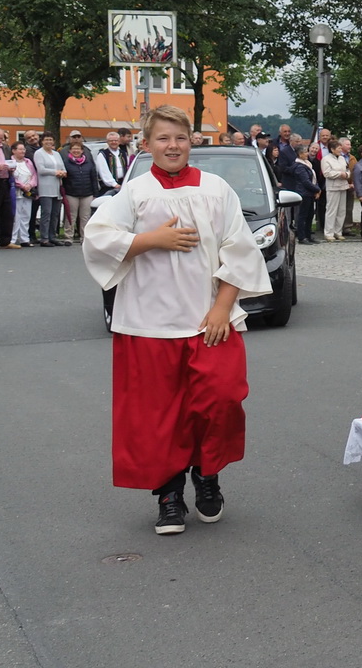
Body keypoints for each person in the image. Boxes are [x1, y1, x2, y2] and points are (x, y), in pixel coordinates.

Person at [82, 104, 272, 536]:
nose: (173, 146)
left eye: (180, 137)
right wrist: (152, 239)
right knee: (157, 414)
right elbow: (96, 241)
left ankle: (206, 474)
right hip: (148, 323)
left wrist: (223, 305)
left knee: (221, 401)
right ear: (146, 145)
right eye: (163, 138)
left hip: (209, 321)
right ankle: (168, 492)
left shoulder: (216, 189)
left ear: (193, 141)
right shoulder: (134, 193)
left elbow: (238, 250)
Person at [61, 133, 101, 242]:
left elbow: (93, 178)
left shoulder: (88, 163)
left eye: (78, 149)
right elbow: (64, 180)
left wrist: (95, 194)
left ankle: (84, 237)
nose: (76, 151)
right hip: (71, 193)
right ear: (70, 151)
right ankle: (68, 236)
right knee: (71, 216)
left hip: (87, 193)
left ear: (82, 151)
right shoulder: (66, 163)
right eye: (73, 149)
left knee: (85, 217)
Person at [321, 136, 351, 241]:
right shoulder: (326, 159)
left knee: (341, 210)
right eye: (338, 148)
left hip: (343, 186)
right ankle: (328, 232)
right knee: (331, 210)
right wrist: (339, 174)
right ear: (332, 149)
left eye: (340, 148)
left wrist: (347, 174)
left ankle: (338, 231)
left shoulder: (342, 158)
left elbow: (347, 169)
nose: (340, 150)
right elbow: (326, 173)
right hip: (333, 187)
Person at [9, 142, 36, 247]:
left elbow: (34, 175)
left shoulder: (28, 162)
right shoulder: (11, 162)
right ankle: (13, 238)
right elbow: (11, 177)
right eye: (20, 149)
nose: (23, 151)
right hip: (16, 192)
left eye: (23, 149)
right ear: (14, 150)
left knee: (26, 215)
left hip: (28, 192)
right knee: (16, 216)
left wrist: (30, 184)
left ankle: (25, 238)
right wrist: (21, 185)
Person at [290, 145, 319, 244]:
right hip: (303, 193)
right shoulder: (299, 167)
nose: (307, 154)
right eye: (305, 152)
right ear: (300, 154)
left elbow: (313, 178)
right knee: (303, 216)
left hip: (310, 193)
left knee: (310, 215)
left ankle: (308, 235)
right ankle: (302, 237)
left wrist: (316, 189)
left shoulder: (307, 164)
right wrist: (317, 189)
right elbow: (306, 181)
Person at [95, 129, 131, 198]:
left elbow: (128, 168)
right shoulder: (102, 154)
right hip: (108, 188)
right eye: (111, 141)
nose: (114, 142)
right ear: (107, 142)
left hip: (122, 185)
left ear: (119, 141)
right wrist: (114, 184)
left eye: (116, 140)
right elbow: (104, 172)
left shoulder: (123, 153)